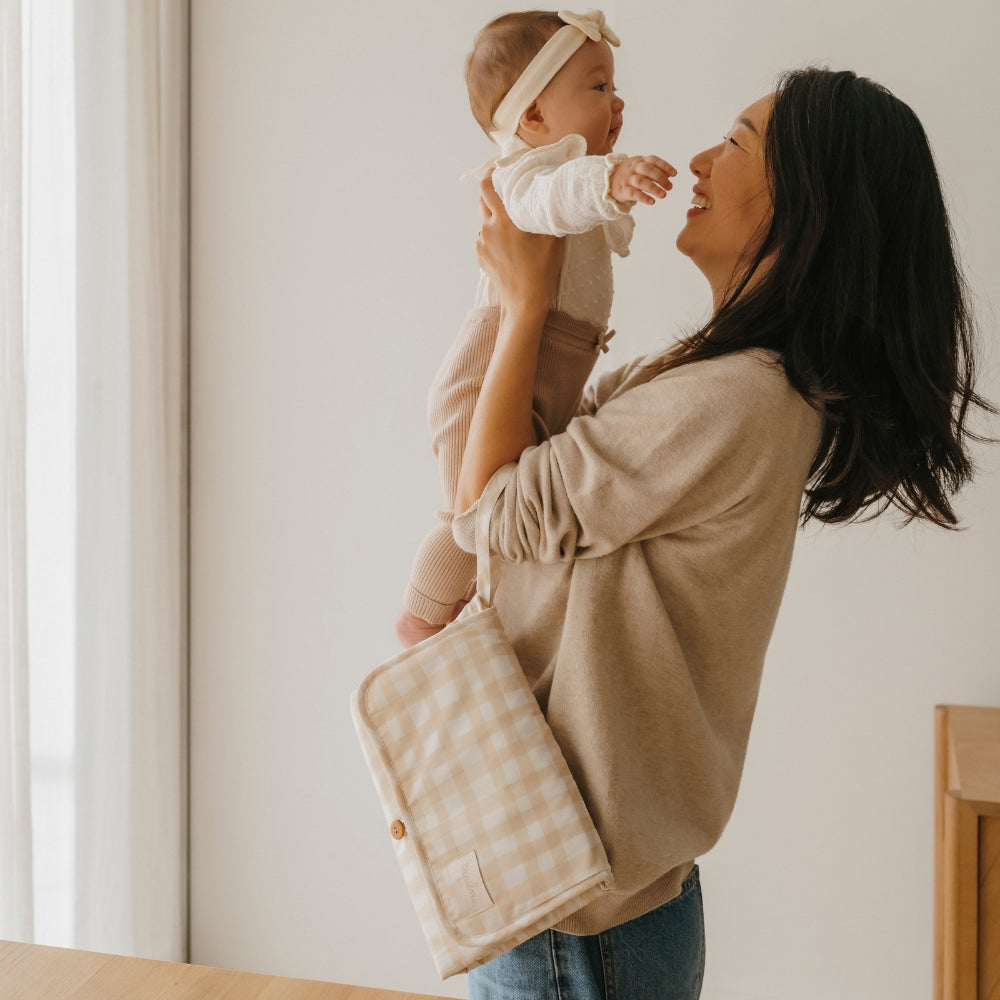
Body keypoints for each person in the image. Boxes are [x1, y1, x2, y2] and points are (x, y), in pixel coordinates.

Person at [445, 67, 991, 998]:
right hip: (587, 898)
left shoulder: (734, 398)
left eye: (736, 142)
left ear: (806, 206)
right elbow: (527, 469)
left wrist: (526, 303)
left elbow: (489, 511)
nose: (698, 160)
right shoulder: (719, 377)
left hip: (576, 919)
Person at [396, 8, 675, 646]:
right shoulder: (525, 177)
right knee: (471, 520)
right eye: (598, 86)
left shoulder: (567, 174)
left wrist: (605, 177)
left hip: (546, 369)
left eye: (613, 86)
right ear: (532, 118)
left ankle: (460, 620)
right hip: (484, 375)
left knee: (503, 527)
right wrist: (611, 178)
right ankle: (421, 619)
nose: (617, 101)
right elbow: (552, 200)